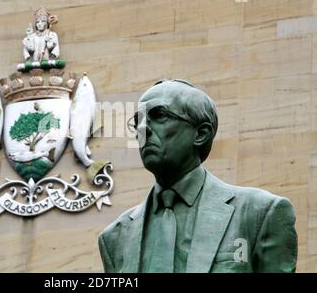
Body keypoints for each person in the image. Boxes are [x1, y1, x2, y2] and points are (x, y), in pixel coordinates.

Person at [98, 79, 297, 273]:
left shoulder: (260, 213)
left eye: (159, 115)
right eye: (137, 121)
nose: (143, 129)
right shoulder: (115, 237)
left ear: (201, 133)